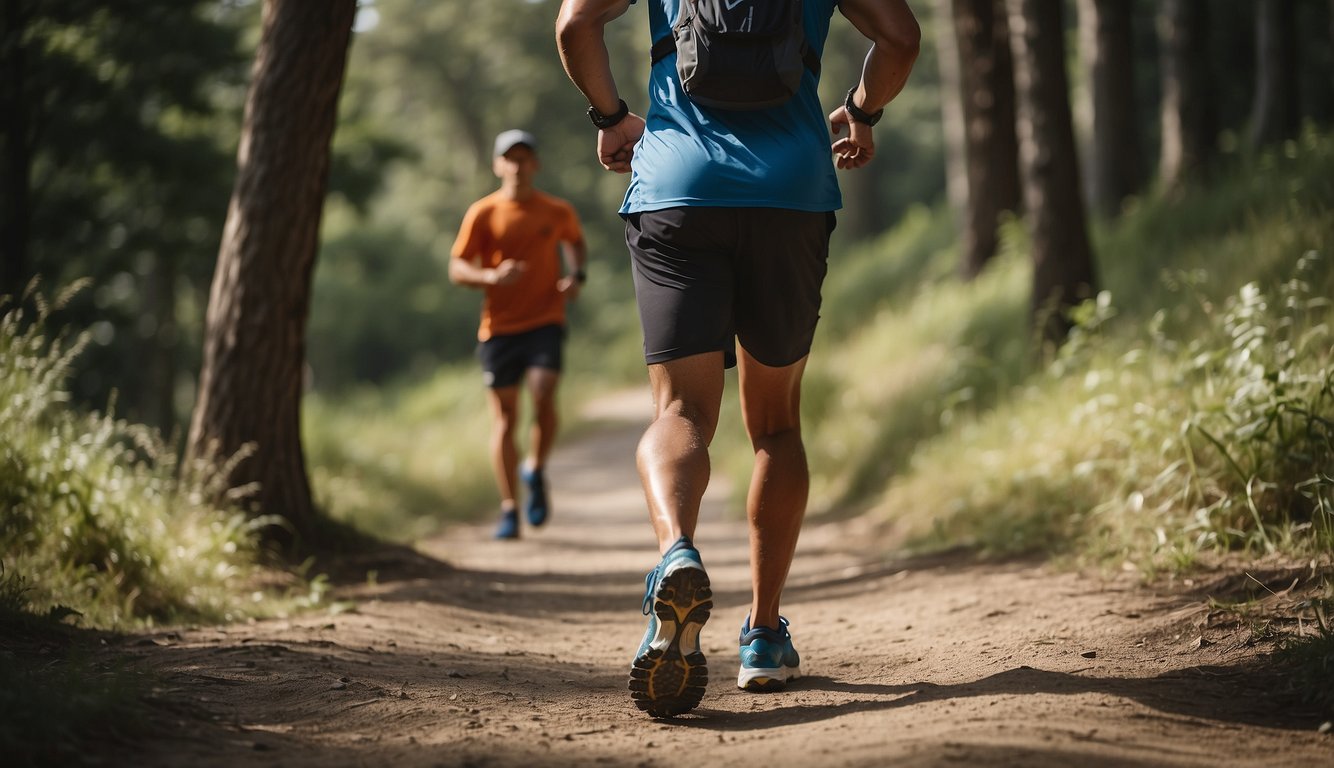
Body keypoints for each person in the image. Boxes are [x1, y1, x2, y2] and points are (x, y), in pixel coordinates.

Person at [556, 0, 920, 716]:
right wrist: (862, 111)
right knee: (776, 426)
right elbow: (901, 39)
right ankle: (761, 635)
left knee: (682, 409)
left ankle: (676, 552)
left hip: (676, 186)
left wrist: (611, 118)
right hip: (792, 189)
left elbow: (574, 25)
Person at [449, 129, 588, 540]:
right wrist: (491, 275)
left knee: (544, 393)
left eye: (525, 157)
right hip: (499, 329)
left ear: (536, 164)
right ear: (497, 165)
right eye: (510, 158)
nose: (518, 165)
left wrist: (575, 276)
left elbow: (576, 244)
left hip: (546, 319)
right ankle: (510, 508)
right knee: (506, 419)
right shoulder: (483, 212)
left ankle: (536, 468)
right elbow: (457, 267)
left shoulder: (556, 210)